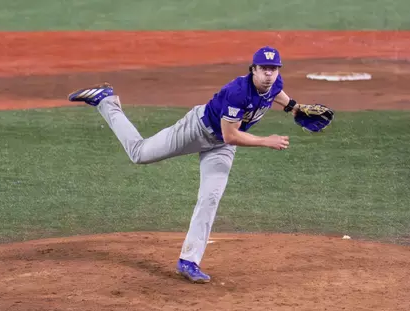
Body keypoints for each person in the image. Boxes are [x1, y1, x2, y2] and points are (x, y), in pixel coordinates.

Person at [68, 46, 304, 284]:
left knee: (210, 198)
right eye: (263, 69)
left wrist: (294, 107)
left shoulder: (274, 83)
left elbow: (276, 93)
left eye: (273, 69)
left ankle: (188, 261)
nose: (269, 75)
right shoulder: (237, 92)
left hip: (221, 147)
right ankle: (106, 101)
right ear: (253, 69)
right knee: (139, 153)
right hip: (197, 130)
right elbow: (231, 135)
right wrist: (266, 141)